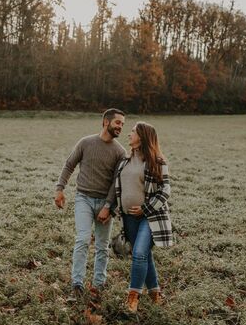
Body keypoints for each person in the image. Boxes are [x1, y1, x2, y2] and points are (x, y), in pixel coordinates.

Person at [55, 108, 126, 296]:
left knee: (102, 246)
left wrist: (108, 207)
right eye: (118, 123)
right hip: (83, 199)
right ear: (106, 122)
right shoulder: (85, 143)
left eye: (122, 124)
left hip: (105, 203)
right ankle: (76, 284)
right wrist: (59, 189)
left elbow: (116, 182)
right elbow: (69, 165)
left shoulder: (120, 152)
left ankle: (98, 284)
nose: (121, 127)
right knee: (83, 239)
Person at [111, 121, 172, 313]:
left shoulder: (157, 162)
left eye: (133, 132)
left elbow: (165, 191)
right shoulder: (124, 161)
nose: (129, 135)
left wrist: (145, 208)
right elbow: (119, 189)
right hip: (128, 217)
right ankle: (155, 293)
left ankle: (133, 297)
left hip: (150, 217)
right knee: (144, 255)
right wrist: (112, 209)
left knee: (138, 254)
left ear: (143, 137)